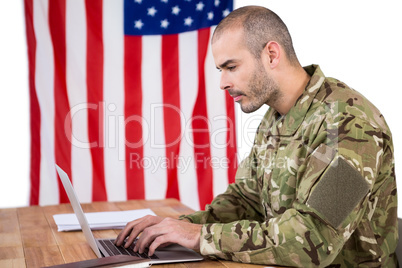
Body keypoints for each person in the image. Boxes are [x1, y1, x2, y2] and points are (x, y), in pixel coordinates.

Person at [115, 5, 399, 267]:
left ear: (271, 54)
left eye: (231, 67)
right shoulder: (274, 117)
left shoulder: (352, 125)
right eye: (221, 70)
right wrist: (174, 228)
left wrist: (202, 235)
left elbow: (315, 239)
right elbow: (245, 201)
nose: (223, 83)